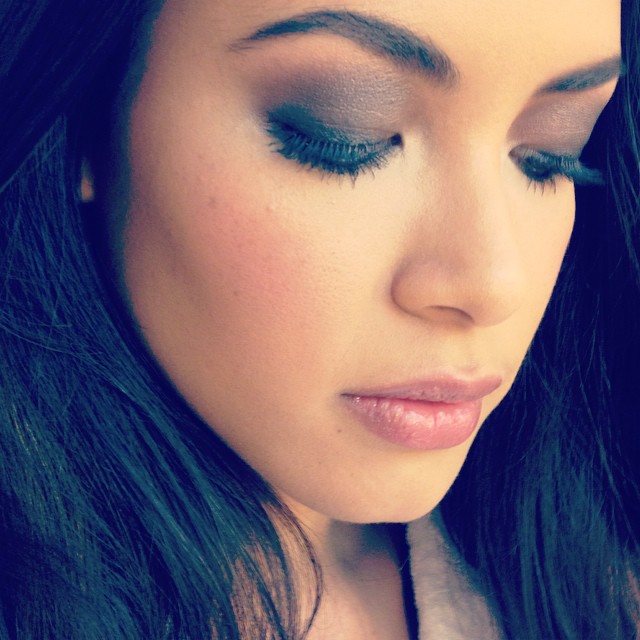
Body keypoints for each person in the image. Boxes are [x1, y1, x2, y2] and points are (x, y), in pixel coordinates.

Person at [0, 0, 638, 638]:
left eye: (552, 153)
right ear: (86, 114)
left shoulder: (594, 581)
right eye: (344, 138)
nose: (494, 286)